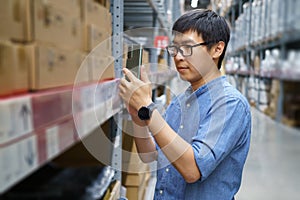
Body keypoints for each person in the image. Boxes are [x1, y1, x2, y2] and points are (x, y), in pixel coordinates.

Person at [119, 9, 251, 200]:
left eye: (188, 48)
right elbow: (150, 154)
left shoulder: (230, 104)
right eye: (175, 49)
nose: (178, 57)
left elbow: (192, 170)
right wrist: (137, 116)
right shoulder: (180, 102)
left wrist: (147, 108)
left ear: (217, 49)